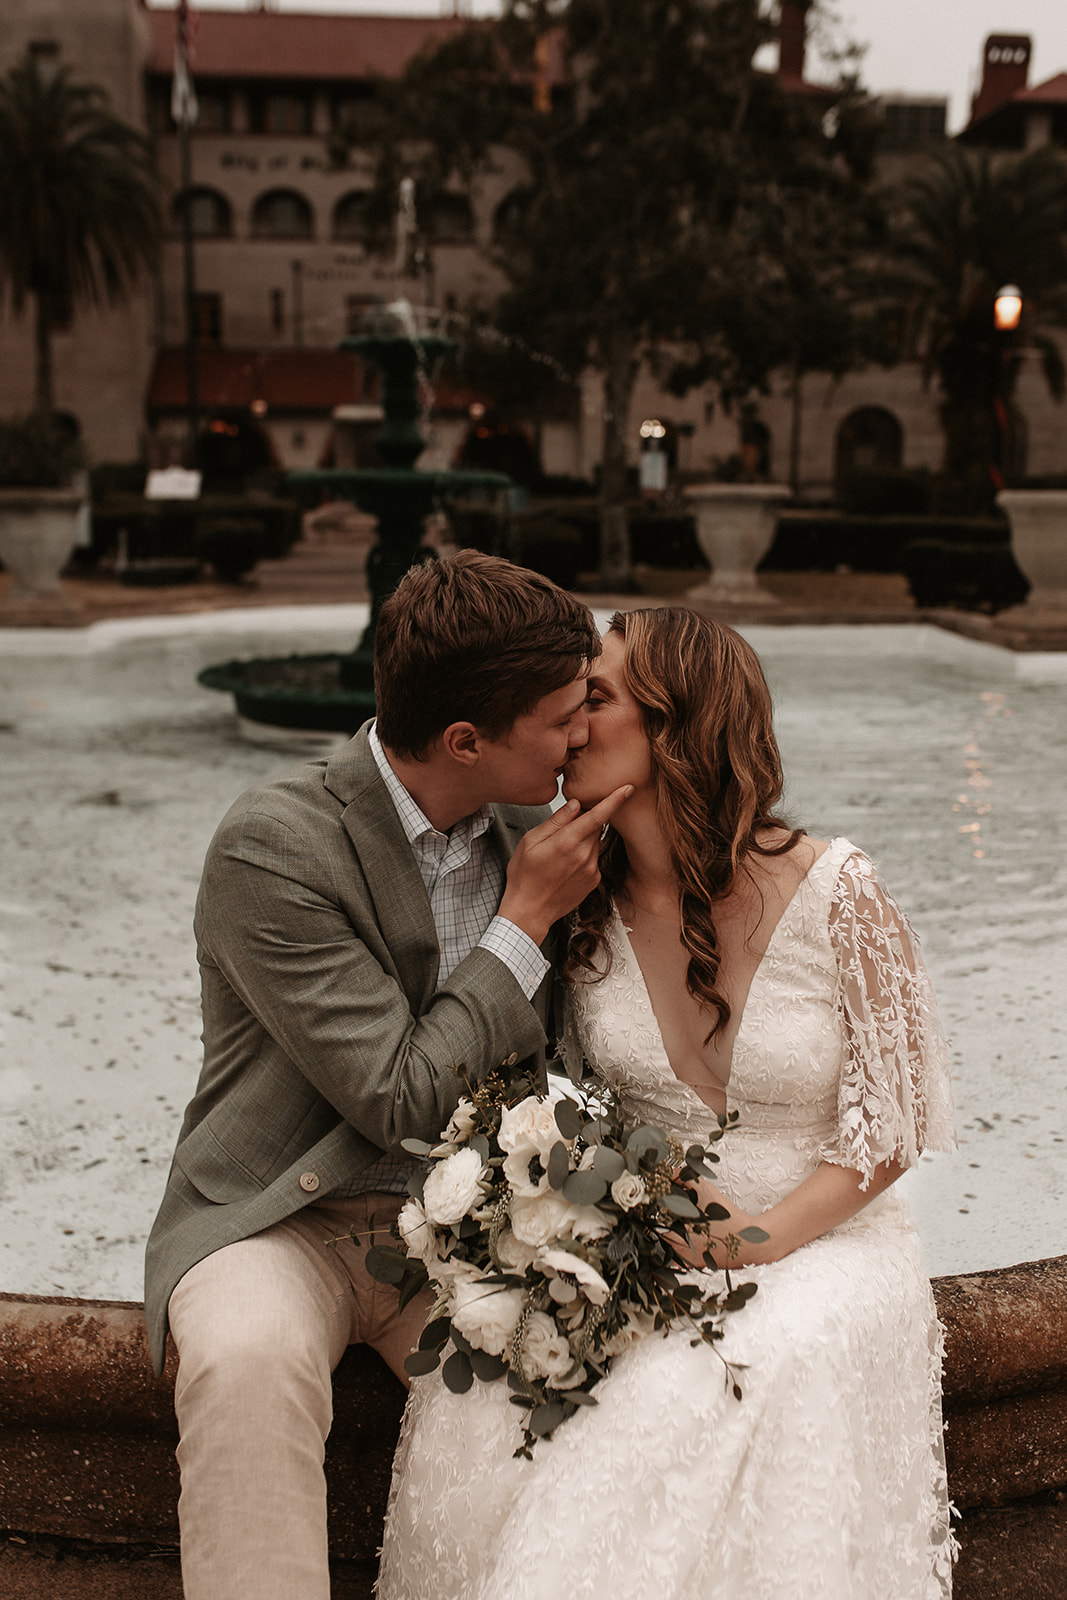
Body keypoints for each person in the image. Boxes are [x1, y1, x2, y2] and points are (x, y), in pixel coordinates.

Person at [377, 606, 958, 1600]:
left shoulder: (836, 890)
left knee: (711, 1380)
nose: (563, 719)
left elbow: (895, 1125)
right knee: (494, 1391)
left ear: (676, 724)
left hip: (823, 1241)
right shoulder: (575, 901)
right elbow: (546, 1097)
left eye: (592, 697)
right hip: (644, 1247)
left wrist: (765, 1236)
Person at [143, 551, 634, 1600]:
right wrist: (523, 922)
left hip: (468, 1232)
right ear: (466, 740)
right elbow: (400, 1094)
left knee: (587, 1387)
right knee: (242, 1362)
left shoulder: (534, 831)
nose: (581, 733)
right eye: (559, 717)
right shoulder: (273, 846)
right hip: (280, 1215)